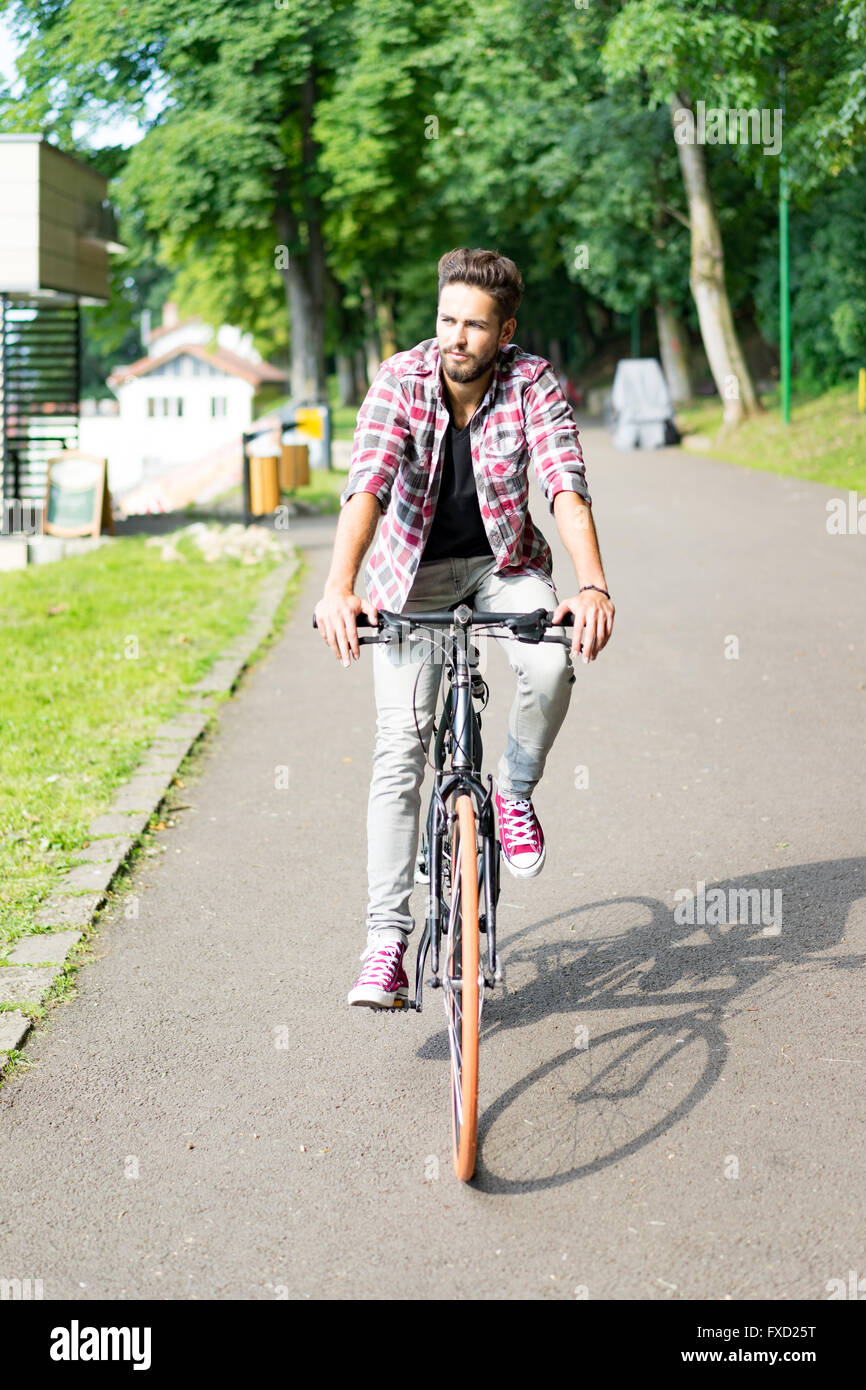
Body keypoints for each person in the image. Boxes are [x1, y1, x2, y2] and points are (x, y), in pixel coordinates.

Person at [314, 248, 614, 1009]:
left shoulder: (532, 383)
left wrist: (592, 584)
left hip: (499, 564)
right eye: (447, 319)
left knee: (550, 662)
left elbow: (563, 483)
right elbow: (368, 484)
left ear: (504, 330)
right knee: (400, 746)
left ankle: (512, 790)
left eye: (475, 325)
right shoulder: (399, 381)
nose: (456, 336)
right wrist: (339, 586)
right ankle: (386, 941)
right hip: (409, 581)